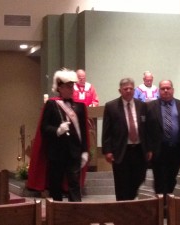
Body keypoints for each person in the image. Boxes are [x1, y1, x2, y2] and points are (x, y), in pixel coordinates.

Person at [27, 68, 89, 202]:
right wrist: (57, 130)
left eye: (73, 86)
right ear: (60, 88)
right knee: (56, 186)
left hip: (74, 152)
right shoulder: (51, 104)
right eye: (68, 86)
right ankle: (57, 214)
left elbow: (83, 132)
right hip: (57, 153)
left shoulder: (80, 106)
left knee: (74, 184)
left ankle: (75, 214)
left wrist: (84, 151)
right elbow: (44, 128)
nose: (72, 89)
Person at [102, 78, 151, 201]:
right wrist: (107, 151)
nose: (128, 91)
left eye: (131, 88)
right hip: (121, 151)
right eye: (125, 89)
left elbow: (147, 129)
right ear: (120, 90)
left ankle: (131, 202)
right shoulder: (111, 106)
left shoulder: (142, 106)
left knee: (139, 179)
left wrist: (150, 148)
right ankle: (122, 211)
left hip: (139, 150)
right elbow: (106, 131)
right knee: (121, 184)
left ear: (134, 90)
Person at [146, 80, 180, 199]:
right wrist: (147, 148)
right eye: (163, 88)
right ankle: (161, 203)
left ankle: (168, 201)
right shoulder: (150, 107)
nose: (165, 90)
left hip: (176, 148)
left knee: (171, 177)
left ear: (172, 90)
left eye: (168, 88)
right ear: (159, 90)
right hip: (158, 149)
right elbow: (145, 129)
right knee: (159, 177)